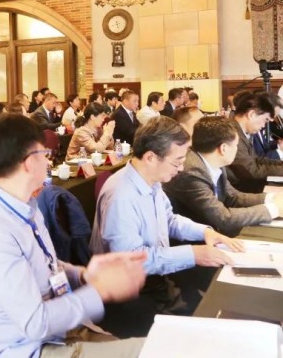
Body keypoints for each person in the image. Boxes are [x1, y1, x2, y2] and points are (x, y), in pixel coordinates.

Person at [0, 113, 148, 357]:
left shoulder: (26, 205)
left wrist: (84, 275)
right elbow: (35, 323)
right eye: (45, 154)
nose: (48, 161)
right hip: (29, 349)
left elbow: (45, 263)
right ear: (29, 162)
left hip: (61, 331)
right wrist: (102, 289)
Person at [90, 117, 243, 331]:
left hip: (156, 276)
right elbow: (130, 260)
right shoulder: (121, 196)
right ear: (151, 157)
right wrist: (193, 254)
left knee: (213, 304)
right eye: (177, 162)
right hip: (130, 290)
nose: (181, 168)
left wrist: (205, 232)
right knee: (202, 322)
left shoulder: (150, 180)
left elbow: (169, 219)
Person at [164, 116, 283, 237]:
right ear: (223, 148)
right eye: (236, 145)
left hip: (216, 234)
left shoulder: (214, 161)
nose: (237, 149)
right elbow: (223, 218)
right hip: (199, 240)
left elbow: (232, 197)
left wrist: (272, 198)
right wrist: (274, 209)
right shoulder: (192, 172)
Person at [228, 92, 283, 193]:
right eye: (265, 120)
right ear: (252, 114)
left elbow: (257, 160)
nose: (263, 126)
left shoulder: (241, 131)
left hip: (247, 186)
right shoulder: (232, 133)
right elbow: (250, 171)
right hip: (239, 190)